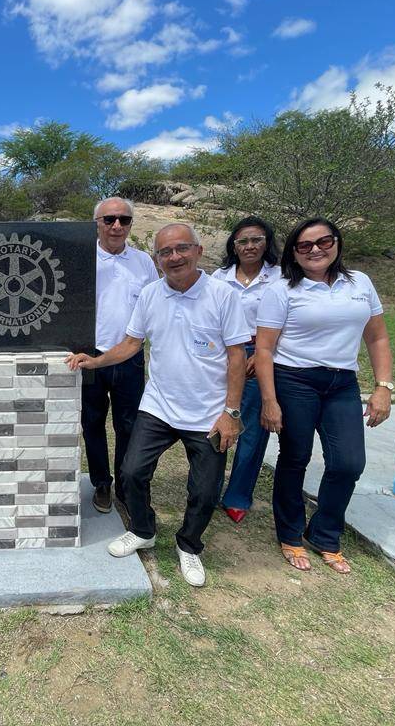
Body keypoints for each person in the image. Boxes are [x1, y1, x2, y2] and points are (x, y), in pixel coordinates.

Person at [67, 224, 248, 587]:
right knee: (132, 472)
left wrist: (230, 412)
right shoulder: (151, 294)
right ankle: (143, 530)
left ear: (198, 251)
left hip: (208, 413)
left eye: (182, 248)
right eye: (165, 252)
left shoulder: (223, 295)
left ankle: (189, 545)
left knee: (205, 491)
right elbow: (131, 344)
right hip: (160, 406)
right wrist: (95, 361)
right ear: (156, 259)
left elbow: (236, 356)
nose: (174, 257)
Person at [255, 217, 394, 574]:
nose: (315, 250)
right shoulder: (282, 290)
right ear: (294, 253)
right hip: (295, 380)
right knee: (295, 457)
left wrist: (384, 386)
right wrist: (269, 400)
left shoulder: (359, 283)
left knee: (349, 463)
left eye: (324, 241)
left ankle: (324, 534)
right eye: (304, 245)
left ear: (337, 243)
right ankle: (290, 533)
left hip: (342, 383)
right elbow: (264, 349)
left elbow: (377, 337)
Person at [84, 197, 159, 513]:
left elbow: (156, 304)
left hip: (130, 356)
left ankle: (127, 488)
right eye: (109, 219)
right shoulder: (82, 258)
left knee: (128, 425)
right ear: (97, 223)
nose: (117, 226)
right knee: (92, 423)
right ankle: (102, 483)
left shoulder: (143, 262)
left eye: (124, 220)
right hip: (90, 356)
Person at [212, 216, 282, 523]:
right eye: (243, 241)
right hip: (223, 354)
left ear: (267, 243)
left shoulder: (281, 277)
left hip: (259, 353)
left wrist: (266, 354)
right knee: (217, 419)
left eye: (256, 240)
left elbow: (289, 321)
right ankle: (208, 487)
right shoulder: (219, 277)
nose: (249, 246)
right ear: (234, 245)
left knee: (252, 427)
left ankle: (238, 495)